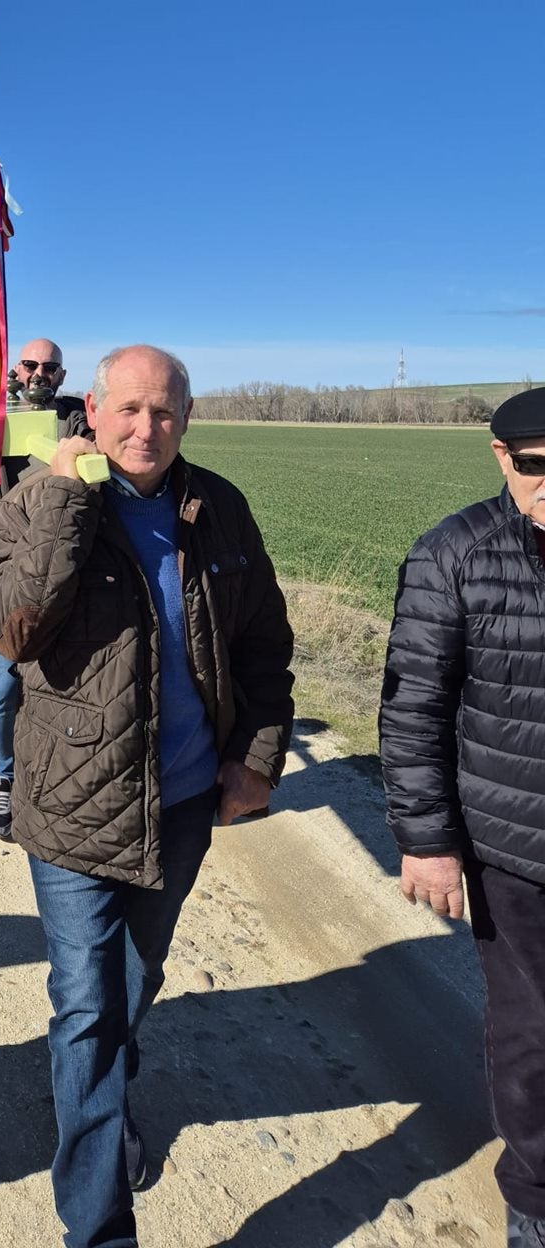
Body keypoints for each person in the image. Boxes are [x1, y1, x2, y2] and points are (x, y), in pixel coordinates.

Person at [0, 344, 294, 1248]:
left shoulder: (218, 510)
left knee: (133, 981)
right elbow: (12, 629)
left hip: (187, 799)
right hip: (73, 805)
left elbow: (266, 646)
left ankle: (97, 1104)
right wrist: (59, 500)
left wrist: (259, 760)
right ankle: (100, 1224)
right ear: (93, 408)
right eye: (127, 410)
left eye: (162, 412)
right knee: (87, 1003)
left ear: (186, 418)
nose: (143, 429)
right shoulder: (41, 499)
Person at [380, 386, 545, 1248]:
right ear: (500, 459)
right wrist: (431, 843)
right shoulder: (457, 553)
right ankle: (535, 1201)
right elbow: (413, 710)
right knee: (533, 1034)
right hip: (514, 848)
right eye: (535, 465)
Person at [0, 337, 89, 840]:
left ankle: (57, 780)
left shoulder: (72, 419)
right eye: (29, 365)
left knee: (63, 685)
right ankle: (5, 775)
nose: (38, 374)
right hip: (4, 578)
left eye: (50, 368)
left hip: (63, 577)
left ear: (62, 376)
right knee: (4, 687)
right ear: (16, 369)